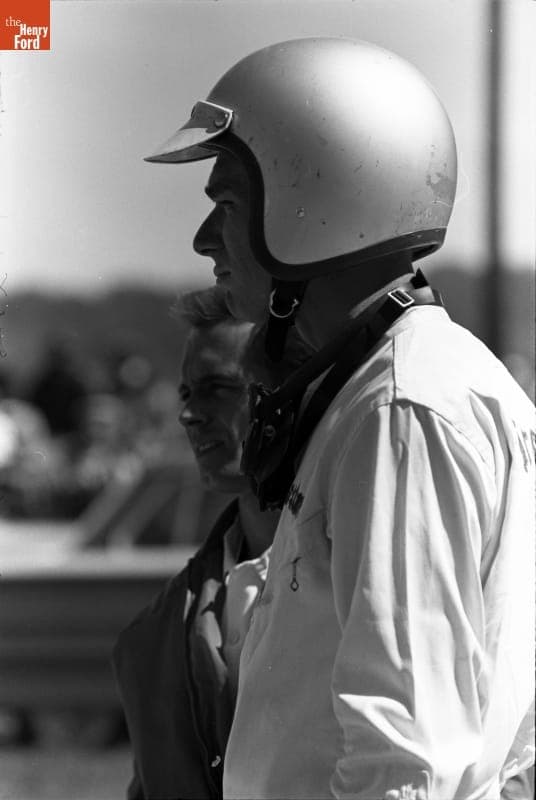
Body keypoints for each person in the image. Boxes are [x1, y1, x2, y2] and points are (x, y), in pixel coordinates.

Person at [145, 38, 535, 800]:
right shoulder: (413, 386)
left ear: (312, 211)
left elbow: (405, 763)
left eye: (227, 205)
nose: (203, 240)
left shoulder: (398, 410)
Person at [113, 286, 312, 800]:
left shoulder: (347, 577)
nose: (188, 414)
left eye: (217, 388)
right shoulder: (162, 626)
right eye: (186, 393)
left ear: (293, 393)